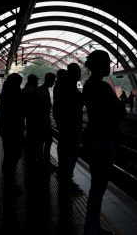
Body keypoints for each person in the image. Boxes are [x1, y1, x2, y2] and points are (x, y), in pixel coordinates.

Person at [82, 50, 127, 235]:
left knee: (96, 185)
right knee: (99, 186)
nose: (109, 66)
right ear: (101, 65)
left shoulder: (88, 85)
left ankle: (93, 226)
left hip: (93, 136)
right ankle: (92, 228)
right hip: (104, 139)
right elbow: (119, 111)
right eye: (108, 63)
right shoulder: (103, 87)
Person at [54, 63, 84, 194]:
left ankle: (65, 175)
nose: (79, 74)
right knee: (72, 151)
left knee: (65, 149)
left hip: (65, 123)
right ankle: (67, 178)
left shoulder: (61, 86)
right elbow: (74, 103)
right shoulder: (68, 86)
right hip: (71, 123)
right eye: (77, 71)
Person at [0, 73, 24, 195]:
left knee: (10, 155)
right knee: (12, 155)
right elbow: (19, 110)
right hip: (12, 129)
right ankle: (9, 184)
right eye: (18, 83)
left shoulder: (5, 93)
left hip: (7, 128)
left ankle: (9, 182)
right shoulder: (11, 95)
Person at [36, 72, 57, 170]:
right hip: (43, 121)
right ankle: (45, 162)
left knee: (42, 142)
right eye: (53, 81)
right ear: (49, 80)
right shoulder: (44, 91)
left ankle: (42, 161)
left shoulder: (40, 89)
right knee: (48, 141)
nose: (53, 83)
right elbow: (43, 108)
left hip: (40, 121)